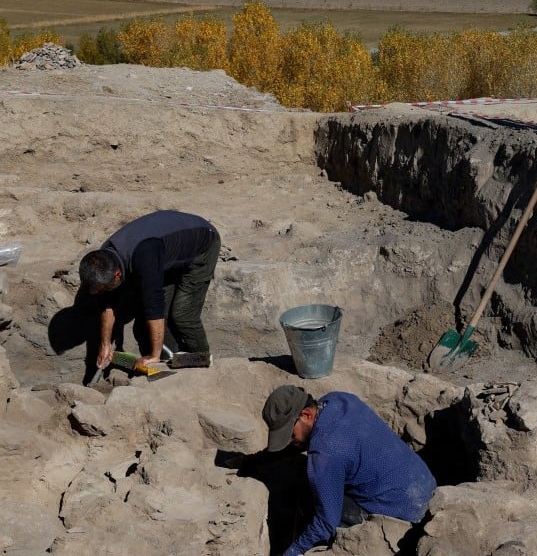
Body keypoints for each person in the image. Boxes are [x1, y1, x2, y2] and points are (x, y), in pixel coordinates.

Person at [262, 385, 436, 556]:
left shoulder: (325, 453)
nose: (291, 441)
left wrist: (293, 551)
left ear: (306, 415)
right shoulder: (337, 400)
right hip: (425, 486)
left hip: (403, 516)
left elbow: (326, 523)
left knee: (309, 498)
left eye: (290, 436)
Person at [78, 209, 220, 370]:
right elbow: (107, 305)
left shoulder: (145, 257)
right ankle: (173, 361)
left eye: (106, 288)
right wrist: (105, 345)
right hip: (166, 253)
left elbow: (154, 307)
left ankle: (202, 361)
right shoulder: (105, 260)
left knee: (182, 315)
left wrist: (153, 355)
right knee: (154, 322)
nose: (104, 292)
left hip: (202, 244)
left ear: (117, 275)